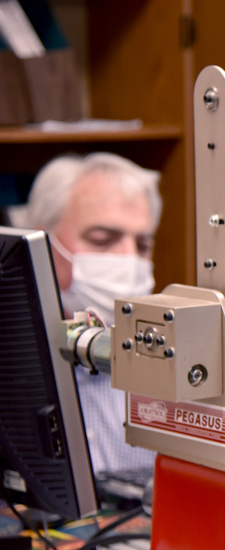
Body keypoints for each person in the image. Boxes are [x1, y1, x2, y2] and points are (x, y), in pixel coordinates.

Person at [17, 152, 161, 476]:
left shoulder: (170, 360)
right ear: (44, 244)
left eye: (142, 245)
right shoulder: (16, 359)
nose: (128, 259)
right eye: (102, 240)